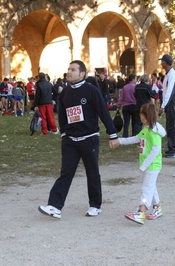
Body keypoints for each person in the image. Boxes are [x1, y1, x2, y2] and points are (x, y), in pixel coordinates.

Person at [38, 60, 118, 219]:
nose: (69, 72)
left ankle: (95, 205)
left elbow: (103, 112)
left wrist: (113, 134)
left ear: (82, 74)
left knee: (92, 172)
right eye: (68, 69)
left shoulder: (92, 91)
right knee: (66, 173)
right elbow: (62, 115)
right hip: (70, 141)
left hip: (89, 139)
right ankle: (55, 206)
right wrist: (63, 133)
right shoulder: (65, 92)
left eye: (73, 70)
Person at [112, 103, 166, 225]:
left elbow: (155, 150)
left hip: (152, 166)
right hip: (149, 165)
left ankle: (141, 212)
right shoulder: (146, 129)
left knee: (146, 188)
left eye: (141, 113)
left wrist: (144, 165)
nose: (140, 116)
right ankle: (157, 207)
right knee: (151, 186)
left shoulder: (154, 132)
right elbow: (136, 138)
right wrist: (120, 141)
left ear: (146, 116)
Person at [158, 54, 175, 158]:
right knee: (169, 127)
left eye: (162, 61)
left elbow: (170, 92)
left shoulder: (172, 74)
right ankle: (171, 147)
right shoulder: (168, 74)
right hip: (170, 104)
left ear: (165, 62)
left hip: (173, 104)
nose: (160, 63)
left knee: (172, 127)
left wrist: (163, 106)